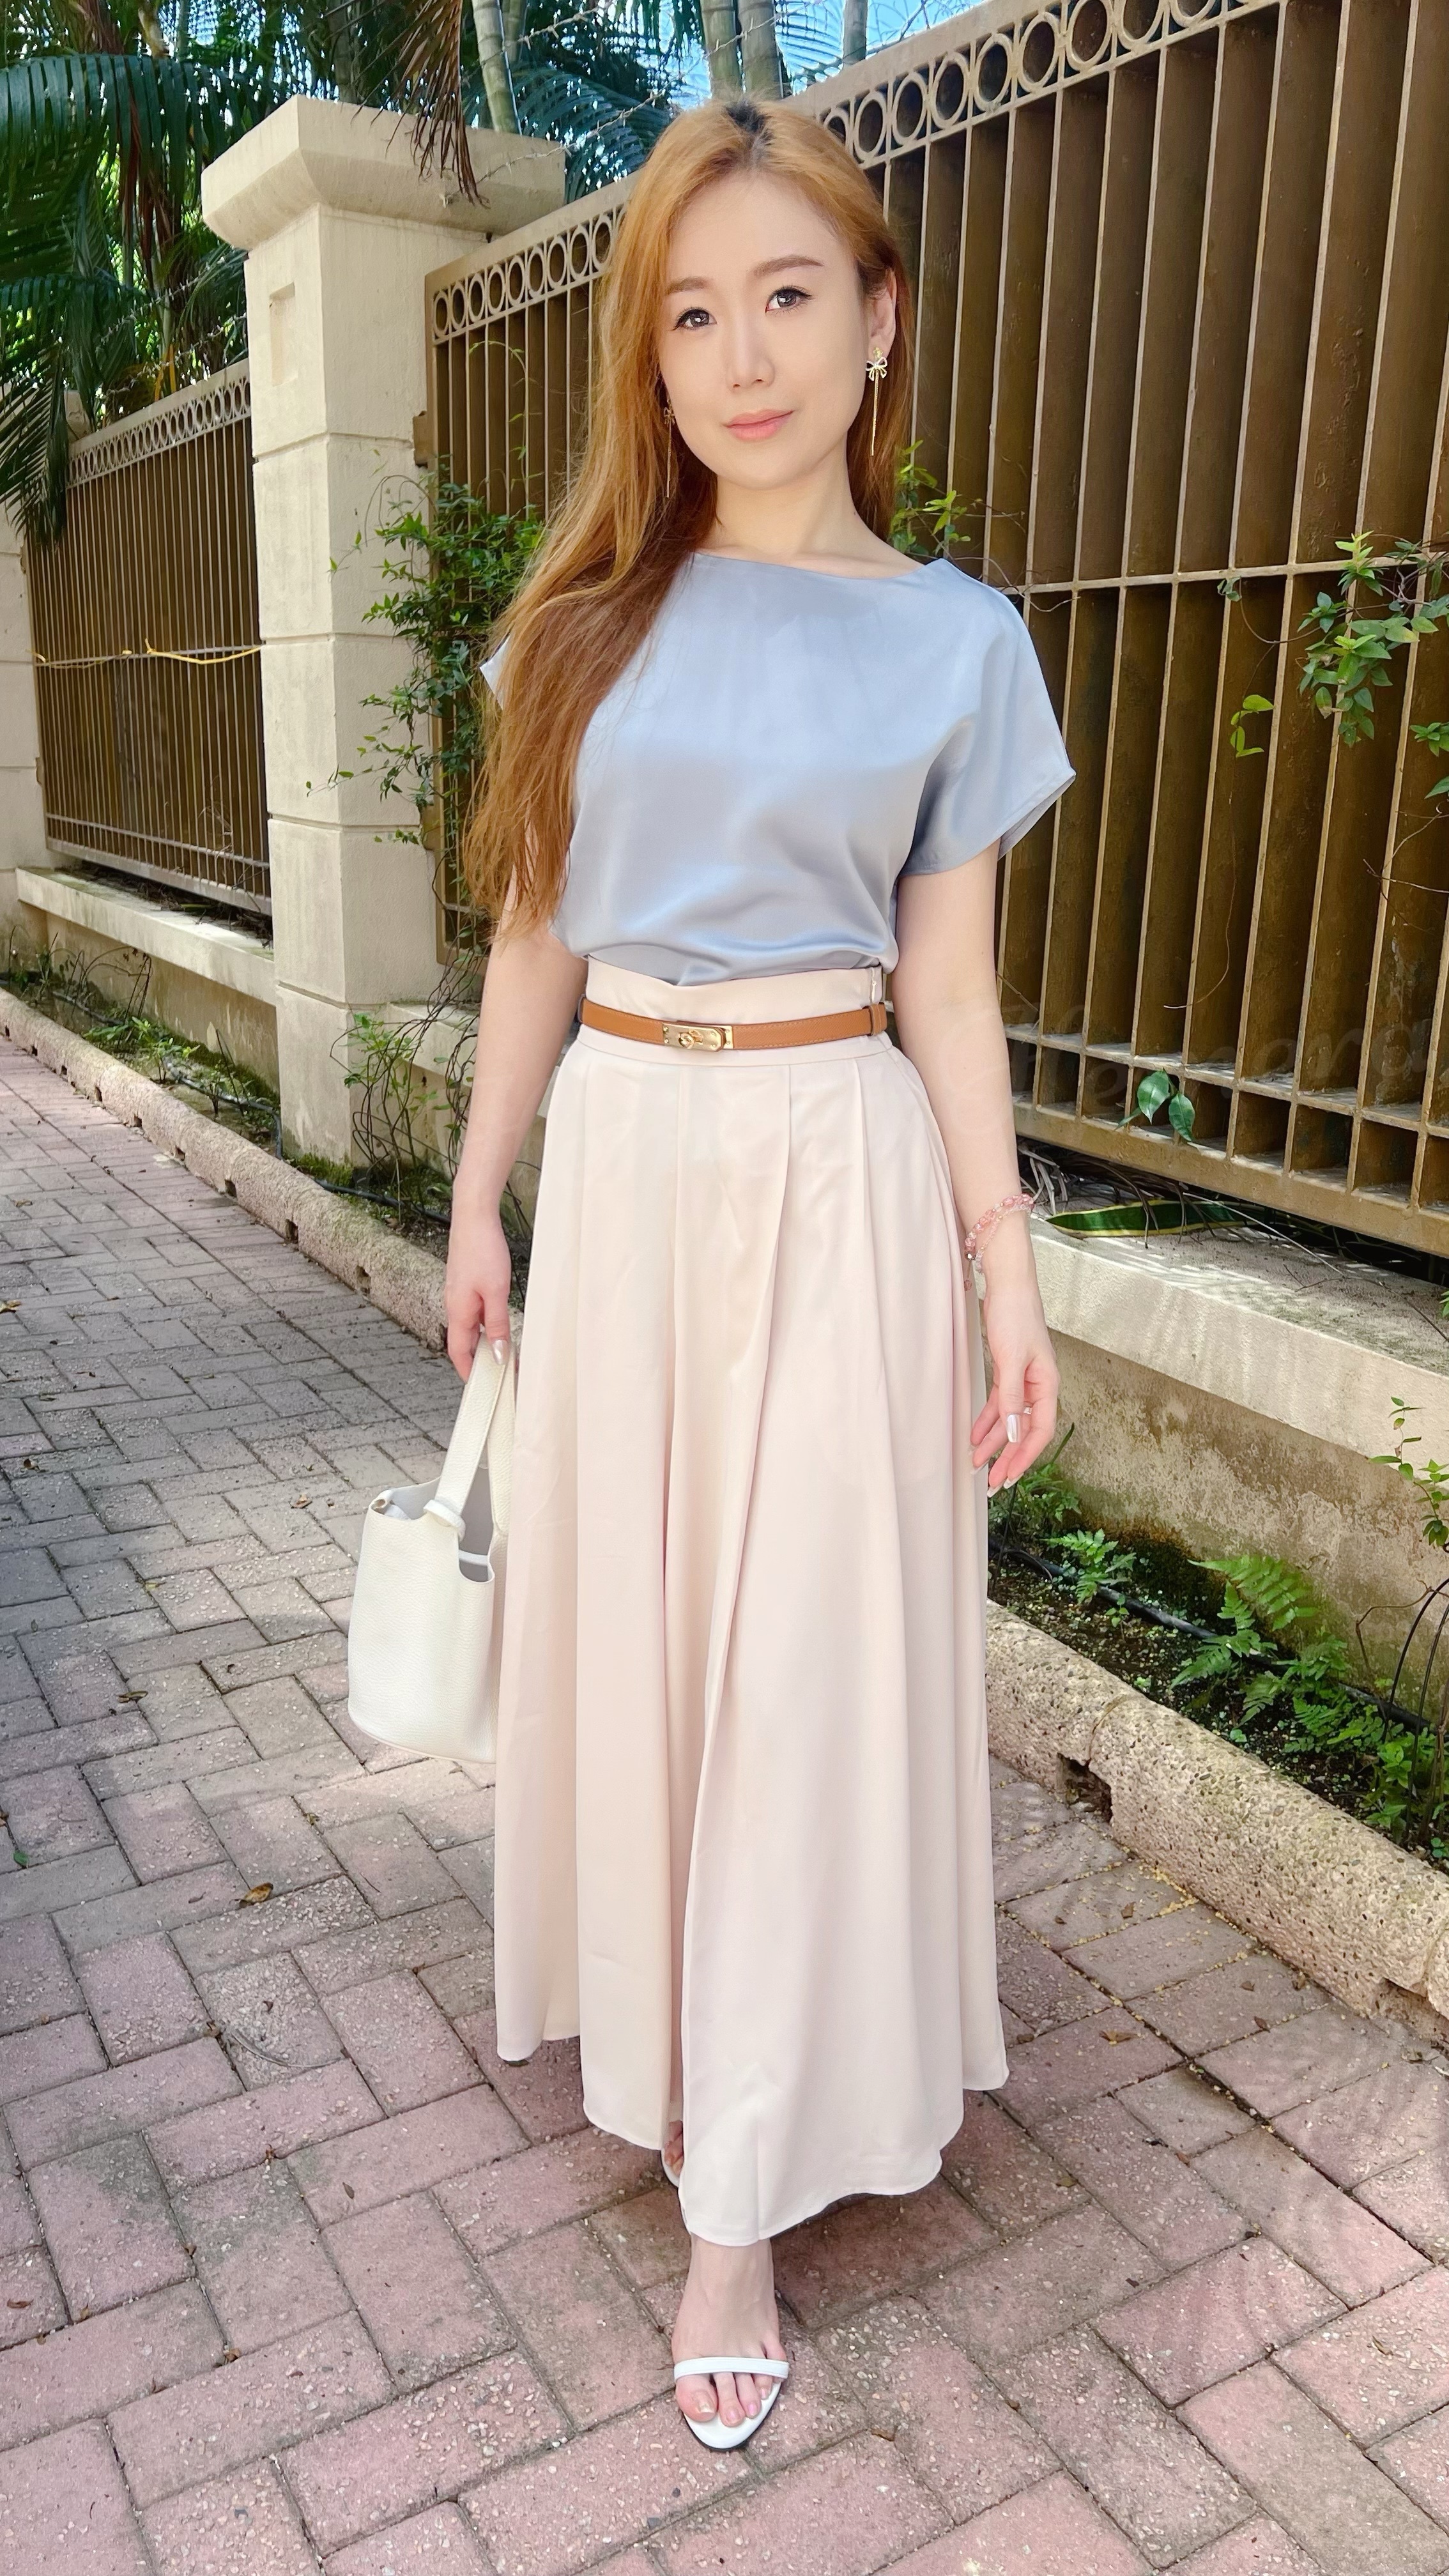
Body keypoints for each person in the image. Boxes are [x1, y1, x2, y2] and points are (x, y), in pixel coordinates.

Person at [443, 92, 1075, 2450]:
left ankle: (744, 2200)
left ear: (876, 319)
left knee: (803, 1660)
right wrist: (479, 1193)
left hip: (839, 1163)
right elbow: (534, 933)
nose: (742, 356)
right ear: (653, 352)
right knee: (653, 1641)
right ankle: (676, 2036)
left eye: (787, 296)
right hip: (625, 1158)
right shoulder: (579, 623)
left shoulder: (956, 644)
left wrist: (1005, 1273)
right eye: (693, 313)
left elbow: (951, 990)